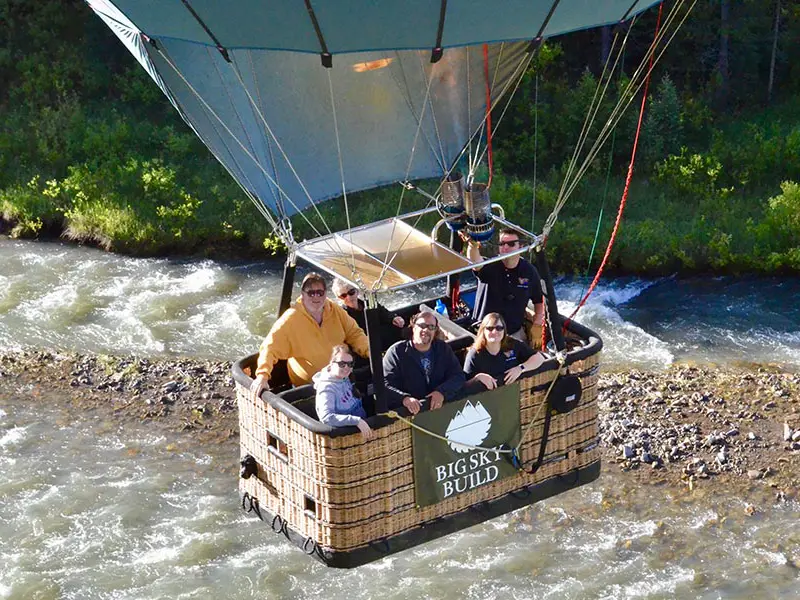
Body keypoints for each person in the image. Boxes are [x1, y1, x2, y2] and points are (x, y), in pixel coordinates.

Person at [249, 272, 370, 400]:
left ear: (325, 294)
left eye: (320, 292)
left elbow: (355, 334)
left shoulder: (335, 310)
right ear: (302, 294)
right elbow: (269, 348)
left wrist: (371, 353)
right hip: (311, 390)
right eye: (311, 293)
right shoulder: (291, 319)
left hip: (343, 380)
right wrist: (262, 376)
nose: (316, 297)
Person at [464, 227, 545, 345]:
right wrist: (473, 245)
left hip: (514, 332)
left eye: (511, 244)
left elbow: (538, 300)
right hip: (486, 333)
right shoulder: (489, 266)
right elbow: (475, 263)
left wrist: (537, 325)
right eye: (502, 244)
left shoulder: (529, 271)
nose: (506, 248)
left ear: (520, 247)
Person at [383, 311, 465, 415]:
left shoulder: (443, 349)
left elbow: (458, 376)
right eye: (422, 325)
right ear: (413, 327)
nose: (426, 330)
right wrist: (404, 399)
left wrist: (441, 392)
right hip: (409, 416)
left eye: (431, 327)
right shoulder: (396, 352)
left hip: (440, 411)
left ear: (435, 331)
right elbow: (384, 385)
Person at [464, 313, 546, 391]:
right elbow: (464, 386)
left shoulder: (513, 344)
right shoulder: (474, 354)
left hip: (513, 393)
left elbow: (539, 358)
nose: (495, 332)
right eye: (490, 328)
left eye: (499, 328)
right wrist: (478, 378)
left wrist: (520, 368)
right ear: (483, 331)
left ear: (504, 331)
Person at [313, 344, 373, 440]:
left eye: (350, 364)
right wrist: (357, 421)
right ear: (332, 363)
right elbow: (327, 418)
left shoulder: (345, 378)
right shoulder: (327, 388)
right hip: (345, 438)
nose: (346, 368)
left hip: (361, 432)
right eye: (342, 364)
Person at [332, 278, 405, 350]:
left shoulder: (370, 304)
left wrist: (394, 318)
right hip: (366, 347)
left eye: (351, 292)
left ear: (357, 292)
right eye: (343, 296)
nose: (349, 297)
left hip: (383, 339)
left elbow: (385, 314)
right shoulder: (342, 315)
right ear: (339, 298)